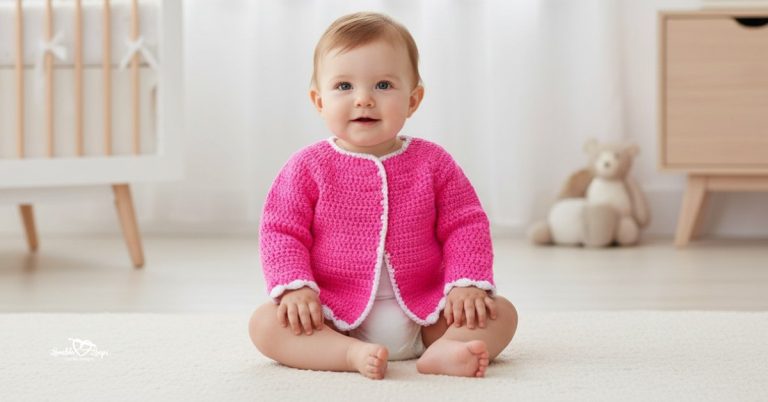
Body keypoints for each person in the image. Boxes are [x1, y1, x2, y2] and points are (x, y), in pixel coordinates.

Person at [248, 11, 517, 380]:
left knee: (500, 313)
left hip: (428, 312)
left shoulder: (433, 162)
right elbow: (282, 231)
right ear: (319, 101)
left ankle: (444, 350)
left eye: (383, 85)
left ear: (413, 100)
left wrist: (466, 283)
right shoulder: (307, 167)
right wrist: (295, 288)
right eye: (344, 86)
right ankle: (348, 354)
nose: (363, 99)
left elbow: (465, 224)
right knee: (265, 324)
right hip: (333, 315)